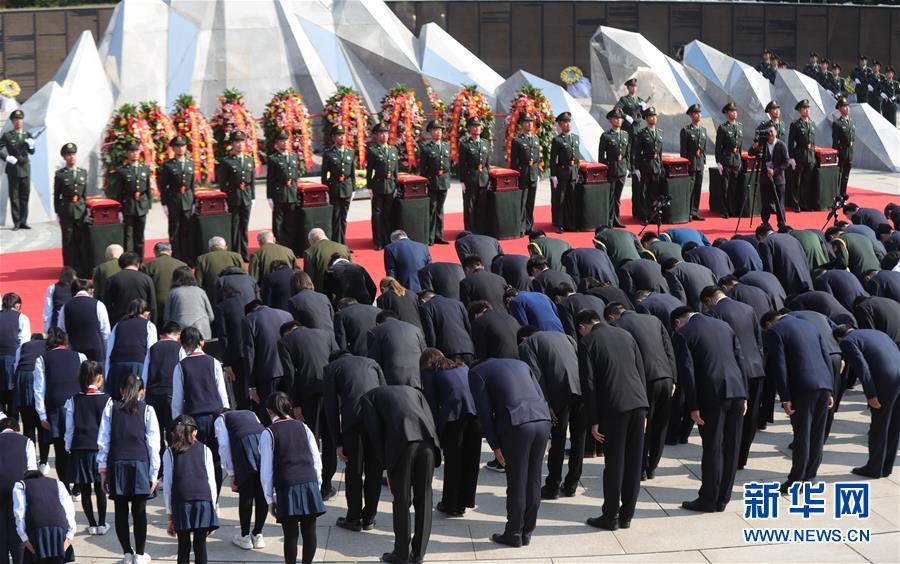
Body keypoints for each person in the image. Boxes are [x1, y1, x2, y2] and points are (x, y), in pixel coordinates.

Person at [576, 310, 648, 530]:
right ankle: (627, 516)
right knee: (634, 463)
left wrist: (594, 419)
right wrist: (645, 407)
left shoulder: (588, 342)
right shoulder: (625, 335)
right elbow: (640, 370)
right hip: (638, 403)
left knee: (615, 464)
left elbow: (588, 383)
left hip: (615, 408)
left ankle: (610, 516)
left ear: (582, 327)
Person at [671, 307, 747, 512]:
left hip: (711, 396)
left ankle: (708, 499)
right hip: (737, 391)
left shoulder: (683, 334)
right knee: (731, 446)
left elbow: (687, 372)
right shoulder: (724, 326)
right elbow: (740, 360)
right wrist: (745, 394)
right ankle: (723, 498)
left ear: (678, 321)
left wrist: (693, 406)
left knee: (713, 446)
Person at [361, 385, 440, 563]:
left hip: (403, 445)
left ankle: (401, 554)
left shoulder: (367, 398)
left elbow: (375, 434)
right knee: (425, 498)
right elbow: (429, 417)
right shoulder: (415, 391)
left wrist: (387, 466)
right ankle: (418, 555)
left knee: (402, 500)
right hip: (428, 443)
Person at [761, 311, 834, 493]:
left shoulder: (775, 331)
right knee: (817, 435)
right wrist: (830, 388)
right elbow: (825, 356)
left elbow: (779, 365)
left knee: (802, 434)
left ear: (769, 323)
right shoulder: (810, 325)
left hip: (802, 387)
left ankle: (795, 480)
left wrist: (785, 396)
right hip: (823, 384)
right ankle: (810, 477)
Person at [605, 304, 676, 480]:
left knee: (644, 425)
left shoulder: (618, 327)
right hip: (665, 377)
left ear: (612, 317)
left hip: (644, 380)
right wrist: (673, 378)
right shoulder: (654, 320)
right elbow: (669, 350)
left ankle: (641, 468)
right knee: (661, 425)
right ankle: (652, 466)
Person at [97, 373, 161, 564]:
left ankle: (127, 553)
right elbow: (153, 444)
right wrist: (154, 473)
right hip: (140, 464)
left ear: (121, 391)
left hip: (117, 463)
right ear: (142, 391)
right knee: (139, 512)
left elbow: (104, 440)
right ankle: (140, 555)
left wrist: (103, 469)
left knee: (121, 511)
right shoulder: (148, 410)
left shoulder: (111, 407)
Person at [699, 287, 764, 470]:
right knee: (751, 417)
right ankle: (741, 457)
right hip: (756, 368)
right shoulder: (747, 308)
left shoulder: (715, 313)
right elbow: (758, 341)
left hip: (736, 371)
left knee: (732, 420)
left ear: (708, 300)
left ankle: (728, 458)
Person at [516, 326, 582, 498]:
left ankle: (553, 486)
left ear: (523, 338)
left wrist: (547, 404)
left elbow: (536, 376)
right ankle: (572, 485)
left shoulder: (527, 345)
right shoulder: (566, 336)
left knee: (558, 440)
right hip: (581, 389)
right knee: (578, 441)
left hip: (559, 392)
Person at [323, 351, 385, 532]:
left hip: (353, 423)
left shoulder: (331, 368)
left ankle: (353, 518)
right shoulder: (372, 362)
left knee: (354, 470)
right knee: (374, 470)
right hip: (376, 421)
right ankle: (369, 518)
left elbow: (331, 408)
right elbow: (384, 391)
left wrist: (337, 442)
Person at [260, 392, 324, 564]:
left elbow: (266, 471)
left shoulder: (268, 433)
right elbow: (316, 459)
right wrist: (316, 486)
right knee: (310, 532)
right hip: (309, 481)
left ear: (269, 411)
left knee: (291, 535)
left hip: (287, 486)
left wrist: (269, 500)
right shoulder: (303, 427)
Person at [278, 321, 338, 500]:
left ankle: (312, 482)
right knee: (330, 439)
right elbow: (338, 359)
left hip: (307, 396)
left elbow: (290, 375)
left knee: (310, 440)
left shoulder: (285, 342)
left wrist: (295, 404)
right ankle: (326, 485)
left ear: (286, 332)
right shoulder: (325, 333)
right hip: (330, 391)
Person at [419, 348, 480, 518]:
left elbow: (431, 404)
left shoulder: (431, 373)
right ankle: (464, 502)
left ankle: (450, 504)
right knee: (471, 461)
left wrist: (434, 432)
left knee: (454, 462)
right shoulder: (462, 367)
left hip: (454, 419)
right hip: (474, 416)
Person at [833, 326, 900, 478]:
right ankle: (886, 467)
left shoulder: (848, 342)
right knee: (895, 425)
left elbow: (862, 368)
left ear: (839, 339)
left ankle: (874, 468)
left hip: (886, 382)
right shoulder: (878, 333)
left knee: (879, 425)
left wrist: (871, 395)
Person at [172, 327, 229, 492]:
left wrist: (177, 424)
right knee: (215, 461)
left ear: (183, 345)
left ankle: (200, 493)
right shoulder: (214, 362)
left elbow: (177, 401)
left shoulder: (181, 367)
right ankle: (214, 499)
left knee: (196, 460)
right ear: (201, 342)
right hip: (214, 417)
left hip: (191, 422)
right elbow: (222, 394)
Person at [163, 414, 219, 564]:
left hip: (181, 502)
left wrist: (170, 516)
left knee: (183, 546)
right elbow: (211, 483)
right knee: (200, 546)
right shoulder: (205, 450)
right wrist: (212, 510)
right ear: (194, 432)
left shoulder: (169, 452)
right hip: (203, 501)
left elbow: (168, 485)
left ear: (174, 433)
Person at [64, 360, 110, 536]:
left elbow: (69, 428)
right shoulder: (107, 400)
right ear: (99, 378)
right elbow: (108, 429)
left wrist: (69, 447)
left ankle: (91, 524)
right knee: (100, 488)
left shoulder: (73, 400)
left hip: (79, 448)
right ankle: (102, 523)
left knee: (84, 490)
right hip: (99, 450)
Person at [34, 327, 85, 483]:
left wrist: (42, 415)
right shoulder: (80, 356)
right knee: (77, 448)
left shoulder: (42, 359)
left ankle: (65, 487)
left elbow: (39, 389)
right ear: (65, 342)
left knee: (60, 450)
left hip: (55, 408)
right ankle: (77, 486)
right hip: (78, 407)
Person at [214, 408, 267, 549]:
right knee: (262, 492)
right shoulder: (251, 412)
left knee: (246, 494)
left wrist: (231, 473)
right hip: (263, 444)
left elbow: (224, 445)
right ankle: (258, 534)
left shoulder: (221, 419)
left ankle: (244, 537)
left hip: (244, 446)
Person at [141, 321, 184, 476]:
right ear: (177, 334)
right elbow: (182, 371)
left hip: (153, 394)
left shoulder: (152, 348)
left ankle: (159, 471)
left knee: (155, 435)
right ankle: (173, 468)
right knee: (173, 432)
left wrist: (144, 397)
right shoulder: (179, 348)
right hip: (171, 394)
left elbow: (145, 374)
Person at [12, 470, 76, 564]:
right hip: (59, 530)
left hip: (36, 531)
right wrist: (70, 535)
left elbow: (19, 513)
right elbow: (69, 509)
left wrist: (25, 539)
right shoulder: (58, 483)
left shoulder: (21, 486)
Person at [244, 300, 293, 419]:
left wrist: (251, 386)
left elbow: (249, 353)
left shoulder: (249, 320)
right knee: (290, 412)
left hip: (267, 375)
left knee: (271, 416)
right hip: (289, 371)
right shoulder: (286, 315)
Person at [0, 417, 38, 564]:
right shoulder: (26, 442)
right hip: (19, 493)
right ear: (17, 430)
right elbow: (32, 472)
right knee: (19, 533)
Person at [105, 299, 157, 400]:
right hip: (137, 364)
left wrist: (108, 374)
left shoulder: (118, 325)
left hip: (116, 366)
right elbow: (151, 352)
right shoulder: (149, 326)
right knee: (135, 402)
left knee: (115, 402)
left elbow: (109, 351)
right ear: (146, 313)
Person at [217, 131, 256, 261]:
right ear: (232, 144)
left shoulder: (249, 160)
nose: (239, 145)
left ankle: (244, 254)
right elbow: (223, 183)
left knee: (244, 227)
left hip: (246, 197)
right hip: (233, 197)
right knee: (234, 227)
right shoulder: (227, 161)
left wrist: (253, 197)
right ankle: (235, 254)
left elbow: (252, 181)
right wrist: (225, 199)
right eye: (237, 142)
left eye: (241, 142)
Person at [157, 135, 195, 262]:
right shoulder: (168, 165)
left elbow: (192, 185)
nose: (180, 149)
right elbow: (163, 186)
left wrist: (194, 201)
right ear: (173, 148)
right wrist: (164, 204)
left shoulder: (190, 163)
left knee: (187, 230)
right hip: (174, 200)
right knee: (175, 230)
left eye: (182, 146)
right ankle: (176, 257)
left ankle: (188, 257)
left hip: (188, 200)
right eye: (177, 146)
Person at [112, 142, 152, 259]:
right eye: (131, 151)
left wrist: (148, 205)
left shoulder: (145, 168)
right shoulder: (122, 171)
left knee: (140, 235)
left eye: (136, 151)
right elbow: (119, 191)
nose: (134, 154)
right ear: (127, 153)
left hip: (141, 205)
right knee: (128, 235)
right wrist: (119, 209)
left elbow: (148, 188)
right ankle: (129, 259)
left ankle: (140, 259)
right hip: (128, 205)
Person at [54, 143, 89, 275]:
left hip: (80, 210)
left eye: (73, 154)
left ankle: (81, 268)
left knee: (80, 240)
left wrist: (86, 210)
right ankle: (69, 269)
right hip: (66, 210)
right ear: (64, 157)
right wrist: (57, 212)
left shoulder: (82, 173)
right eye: (68, 155)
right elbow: (57, 195)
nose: (71, 157)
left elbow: (84, 195)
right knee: (68, 241)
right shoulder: (60, 175)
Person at [367, 311, 426, 388]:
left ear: (378, 323)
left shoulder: (375, 331)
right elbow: (425, 354)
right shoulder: (416, 330)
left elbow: (374, 361)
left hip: (392, 381)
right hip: (418, 379)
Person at [267, 130, 302, 252]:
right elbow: (270, 179)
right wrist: (269, 197)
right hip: (279, 193)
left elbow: (296, 177)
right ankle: (280, 247)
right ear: (277, 143)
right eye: (282, 140)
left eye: (286, 140)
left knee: (291, 222)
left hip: (292, 193)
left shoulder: (293, 156)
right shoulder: (273, 158)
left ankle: (291, 248)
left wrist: (296, 192)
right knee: (278, 223)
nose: (285, 143)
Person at [366, 123, 399, 250]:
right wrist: (369, 187)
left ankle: (388, 240)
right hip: (378, 185)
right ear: (376, 135)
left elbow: (395, 169)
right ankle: (378, 241)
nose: (384, 135)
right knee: (377, 215)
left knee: (388, 214)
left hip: (390, 185)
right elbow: (369, 171)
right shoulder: (373, 151)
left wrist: (395, 185)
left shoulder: (393, 149)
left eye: (386, 133)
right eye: (381, 133)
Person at [418, 291, 475, 365]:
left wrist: (433, 355)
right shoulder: (458, 303)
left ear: (422, 301)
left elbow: (431, 336)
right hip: (468, 349)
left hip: (447, 352)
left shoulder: (425, 307)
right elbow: (468, 328)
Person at [755, 224, 814, 295]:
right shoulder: (791, 237)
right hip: (806, 280)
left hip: (789, 286)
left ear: (759, 236)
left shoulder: (765, 243)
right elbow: (805, 259)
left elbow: (769, 270)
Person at [321, 126, 356, 244]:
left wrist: (354, 189)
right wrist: (325, 190)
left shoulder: (350, 152)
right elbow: (324, 174)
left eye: (343, 135)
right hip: (334, 188)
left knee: (344, 218)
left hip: (347, 187)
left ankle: (343, 243)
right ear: (333, 137)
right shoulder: (329, 154)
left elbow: (352, 173)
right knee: (335, 218)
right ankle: (336, 243)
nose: (342, 137)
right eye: (339, 135)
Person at [418, 120, 451, 244]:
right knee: (432, 209)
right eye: (435, 130)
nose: (438, 132)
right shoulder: (426, 148)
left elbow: (449, 165)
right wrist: (425, 183)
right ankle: (430, 237)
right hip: (432, 181)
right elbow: (423, 168)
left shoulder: (446, 146)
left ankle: (439, 235)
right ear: (430, 132)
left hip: (444, 181)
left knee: (440, 209)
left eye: (440, 130)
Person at [750, 124, 789, 229]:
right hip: (765, 179)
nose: (770, 134)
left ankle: (781, 224)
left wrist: (775, 171)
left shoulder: (781, 145)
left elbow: (786, 162)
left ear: (776, 133)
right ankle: (765, 223)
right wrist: (756, 144)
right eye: (768, 132)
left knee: (779, 203)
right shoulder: (763, 145)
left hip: (778, 179)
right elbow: (750, 153)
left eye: (772, 132)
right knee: (765, 203)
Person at [0, 109, 35, 230]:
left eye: (20, 119)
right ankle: (16, 222)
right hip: (13, 169)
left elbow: (32, 152)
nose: (18, 122)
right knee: (14, 197)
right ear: (12, 121)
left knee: (25, 196)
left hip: (25, 168)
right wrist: (7, 157)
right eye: (15, 120)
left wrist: (31, 145)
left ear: (22, 121)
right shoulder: (7, 135)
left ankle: (24, 221)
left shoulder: (28, 135)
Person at [597, 108, 630, 227]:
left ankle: (617, 220)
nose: (619, 120)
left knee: (618, 197)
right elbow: (601, 156)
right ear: (611, 120)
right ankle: (609, 220)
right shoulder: (606, 136)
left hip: (622, 168)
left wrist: (628, 167)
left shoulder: (625, 134)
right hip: (611, 169)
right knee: (610, 197)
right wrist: (605, 168)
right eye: (616, 118)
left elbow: (628, 154)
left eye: (620, 118)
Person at [457, 118, 491, 232]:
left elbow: (487, 164)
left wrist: (489, 178)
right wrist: (462, 181)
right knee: (469, 207)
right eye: (474, 126)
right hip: (470, 178)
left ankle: (481, 229)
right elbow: (462, 164)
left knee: (482, 206)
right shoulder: (465, 144)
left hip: (483, 178)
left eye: (479, 126)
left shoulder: (486, 143)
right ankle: (470, 230)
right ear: (470, 128)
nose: (477, 128)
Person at [141, 242, 187, 325]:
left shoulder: (147, 266)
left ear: (155, 252)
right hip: (178, 304)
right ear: (170, 252)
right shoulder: (182, 265)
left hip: (157, 306)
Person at [1, 293, 31, 419]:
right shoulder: (22, 318)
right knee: (13, 396)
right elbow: (24, 343)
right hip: (13, 359)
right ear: (17, 305)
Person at [103, 252, 157, 323]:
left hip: (119, 321)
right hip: (142, 321)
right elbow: (153, 305)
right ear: (138, 264)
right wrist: (153, 323)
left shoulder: (111, 280)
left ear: (120, 265)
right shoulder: (147, 279)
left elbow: (107, 305)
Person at [548, 112, 579, 232]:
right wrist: (553, 175)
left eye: (569, 121)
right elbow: (553, 159)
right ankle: (560, 224)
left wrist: (576, 171)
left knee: (572, 199)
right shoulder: (557, 140)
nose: (568, 124)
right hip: (562, 172)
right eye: (565, 122)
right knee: (560, 200)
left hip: (573, 172)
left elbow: (577, 157)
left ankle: (570, 223)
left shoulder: (575, 138)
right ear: (560, 125)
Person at [632, 106, 664, 225]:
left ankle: (653, 215)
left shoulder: (659, 133)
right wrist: (636, 168)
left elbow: (660, 152)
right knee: (644, 192)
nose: (653, 118)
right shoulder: (642, 133)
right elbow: (636, 152)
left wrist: (660, 165)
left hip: (655, 165)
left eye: (654, 116)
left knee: (654, 192)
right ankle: (644, 215)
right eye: (651, 116)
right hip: (645, 165)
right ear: (646, 119)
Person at [511, 114, 541, 234]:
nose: (529, 124)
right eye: (526, 122)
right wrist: (515, 176)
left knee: (531, 203)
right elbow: (514, 161)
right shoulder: (517, 140)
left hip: (533, 173)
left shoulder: (536, 139)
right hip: (523, 173)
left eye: (531, 122)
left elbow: (537, 158)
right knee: (522, 202)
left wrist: (537, 172)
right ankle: (521, 227)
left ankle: (529, 226)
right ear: (521, 124)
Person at [165, 266, 215, 339]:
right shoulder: (200, 291)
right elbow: (211, 316)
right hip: (202, 330)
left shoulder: (172, 293)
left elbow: (166, 317)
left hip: (180, 332)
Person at [14, 333, 45, 448]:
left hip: (23, 382)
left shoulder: (23, 347)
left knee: (28, 425)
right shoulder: (47, 345)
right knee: (42, 427)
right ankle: (43, 461)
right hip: (40, 382)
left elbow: (16, 366)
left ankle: (30, 455)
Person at [194, 237, 246, 304]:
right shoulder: (236, 256)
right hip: (236, 299)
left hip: (213, 301)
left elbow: (198, 284)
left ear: (209, 248)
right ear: (226, 247)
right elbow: (245, 278)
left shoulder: (202, 259)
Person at [715, 102, 743, 218]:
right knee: (725, 187)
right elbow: (718, 146)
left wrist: (740, 159)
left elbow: (740, 145)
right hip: (726, 160)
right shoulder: (723, 128)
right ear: (727, 114)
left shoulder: (739, 126)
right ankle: (724, 210)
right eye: (732, 111)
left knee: (734, 186)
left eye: (735, 111)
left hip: (736, 160)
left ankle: (732, 209)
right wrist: (718, 162)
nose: (734, 113)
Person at [787, 99, 816, 212]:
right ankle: (796, 203)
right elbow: (790, 142)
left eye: (808, 108)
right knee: (797, 182)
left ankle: (804, 203)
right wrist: (791, 157)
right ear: (799, 111)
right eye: (804, 108)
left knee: (806, 182)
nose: (806, 110)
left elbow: (813, 141)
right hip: (799, 155)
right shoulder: (795, 124)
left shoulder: (812, 123)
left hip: (810, 156)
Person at [302, 228, 351, 294]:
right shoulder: (344, 248)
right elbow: (351, 270)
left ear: (312, 240)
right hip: (344, 291)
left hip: (323, 294)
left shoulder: (310, 252)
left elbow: (309, 279)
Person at [680, 104, 707, 221]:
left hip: (700, 163)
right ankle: (688, 212)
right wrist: (686, 163)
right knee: (690, 189)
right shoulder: (686, 130)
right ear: (691, 116)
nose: (699, 115)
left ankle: (695, 211)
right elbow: (683, 150)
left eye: (699, 113)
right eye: (696, 113)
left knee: (698, 188)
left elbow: (704, 149)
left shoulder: (703, 130)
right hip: (691, 163)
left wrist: (703, 160)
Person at [831, 98, 855, 196]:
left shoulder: (851, 122)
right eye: (844, 107)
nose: (847, 108)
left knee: (846, 175)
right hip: (841, 151)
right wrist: (835, 154)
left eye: (848, 106)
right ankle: (837, 195)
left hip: (850, 152)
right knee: (839, 175)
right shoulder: (837, 123)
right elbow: (835, 141)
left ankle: (843, 193)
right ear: (840, 109)